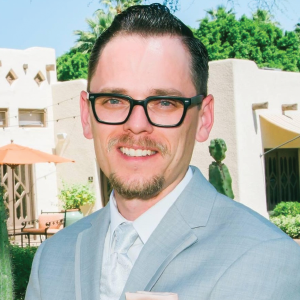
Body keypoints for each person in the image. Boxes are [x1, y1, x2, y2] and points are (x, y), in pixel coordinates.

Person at [25, 4, 300, 300]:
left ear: (204, 119)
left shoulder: (267, 258)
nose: (136, 125)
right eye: (114, 100)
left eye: (165, 102)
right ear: (85, 114)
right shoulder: (51, 258)